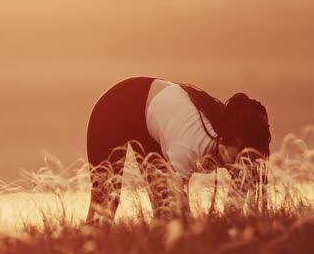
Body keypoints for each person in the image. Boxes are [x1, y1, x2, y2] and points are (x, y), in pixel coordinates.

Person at [85, 77, 271, 223]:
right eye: (237, 157)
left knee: (162, 215)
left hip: (153, 117)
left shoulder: (236, 137)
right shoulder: (190, 146)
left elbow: (234, 215)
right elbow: (179, 209)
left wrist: (240, 185)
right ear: (225, 142)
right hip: (117, 108)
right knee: (107, 203)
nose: (239, 164)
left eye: (246, 158)